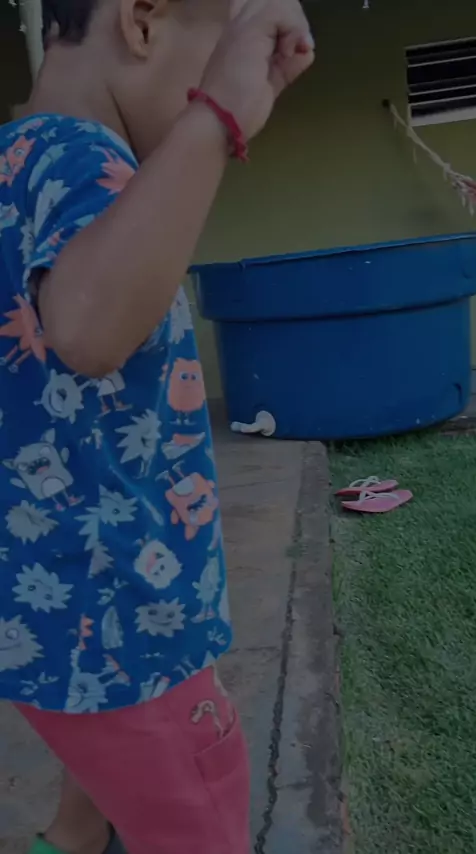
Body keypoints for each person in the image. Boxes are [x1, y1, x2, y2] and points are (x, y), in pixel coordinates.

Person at [0, 0, 314, 851]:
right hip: (123, 620)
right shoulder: (84, 157)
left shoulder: (17, 158)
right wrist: (217, 117)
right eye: (217, 57)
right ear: (141, 21)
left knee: (86, 812)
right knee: (198, 814)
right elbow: (88, 327)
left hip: (56, 615)